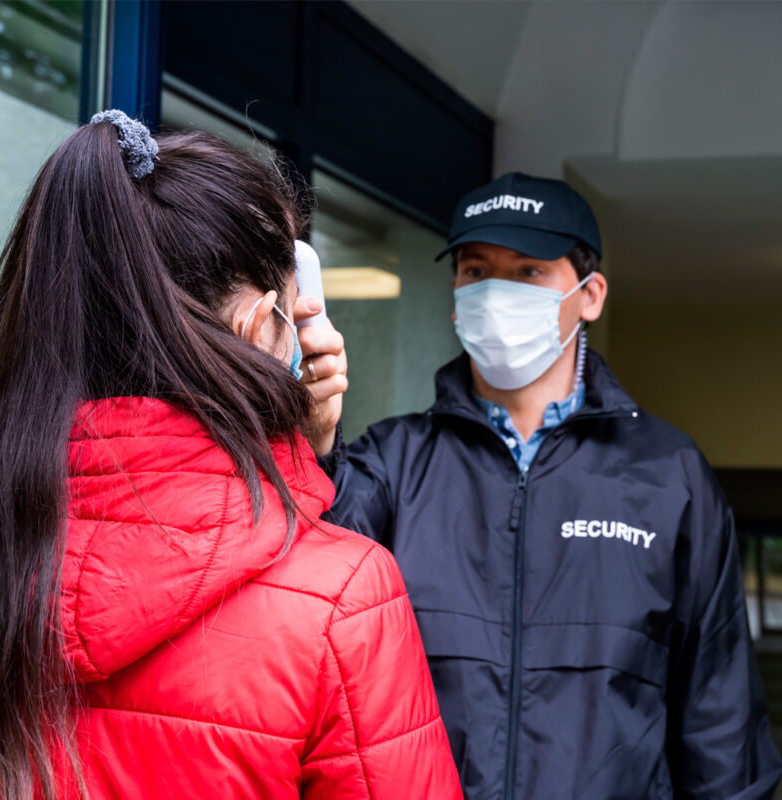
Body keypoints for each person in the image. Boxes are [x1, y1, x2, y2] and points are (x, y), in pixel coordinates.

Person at [0, 111, 462, 800]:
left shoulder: (1, 537)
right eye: (294, 314)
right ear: (257, 323)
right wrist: (294, 451)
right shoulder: (344, 596)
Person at [301, 172, 782, 799]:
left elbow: (720, 724)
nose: (495, 292)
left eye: (528, 272)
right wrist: (309, 438)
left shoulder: (668, 476)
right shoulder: (391, 462)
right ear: (454, 292)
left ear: (591, 294)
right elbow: (300, 576)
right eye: (476, 271)